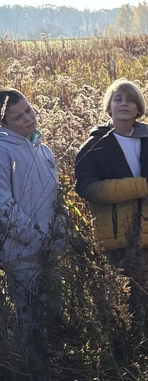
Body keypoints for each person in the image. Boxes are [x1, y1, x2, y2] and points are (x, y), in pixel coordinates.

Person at [74, 79, 148, 330]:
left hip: (145, 225)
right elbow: (85, 187)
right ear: (108, 106)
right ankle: (120, 343)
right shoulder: (94, 145)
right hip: (113, 229)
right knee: (118, 288)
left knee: (143, 288)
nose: (124, 104)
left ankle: (144, 339)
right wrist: (135, 187)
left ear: (138, 107)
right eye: (118, 99)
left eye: (130, 100)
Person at [0, 88, 66, 364]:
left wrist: (60, 234)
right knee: (30, 320)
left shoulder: (42, 148)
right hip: (22, 254)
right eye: (17, 117)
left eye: (28, 110)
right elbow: (3, 207)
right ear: (3, 124)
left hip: (49, 248)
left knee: (54, 314)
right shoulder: (3, 152)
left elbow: (56, 198)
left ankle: (56, 366)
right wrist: (37, 239)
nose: (28, 119)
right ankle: (27, 370)